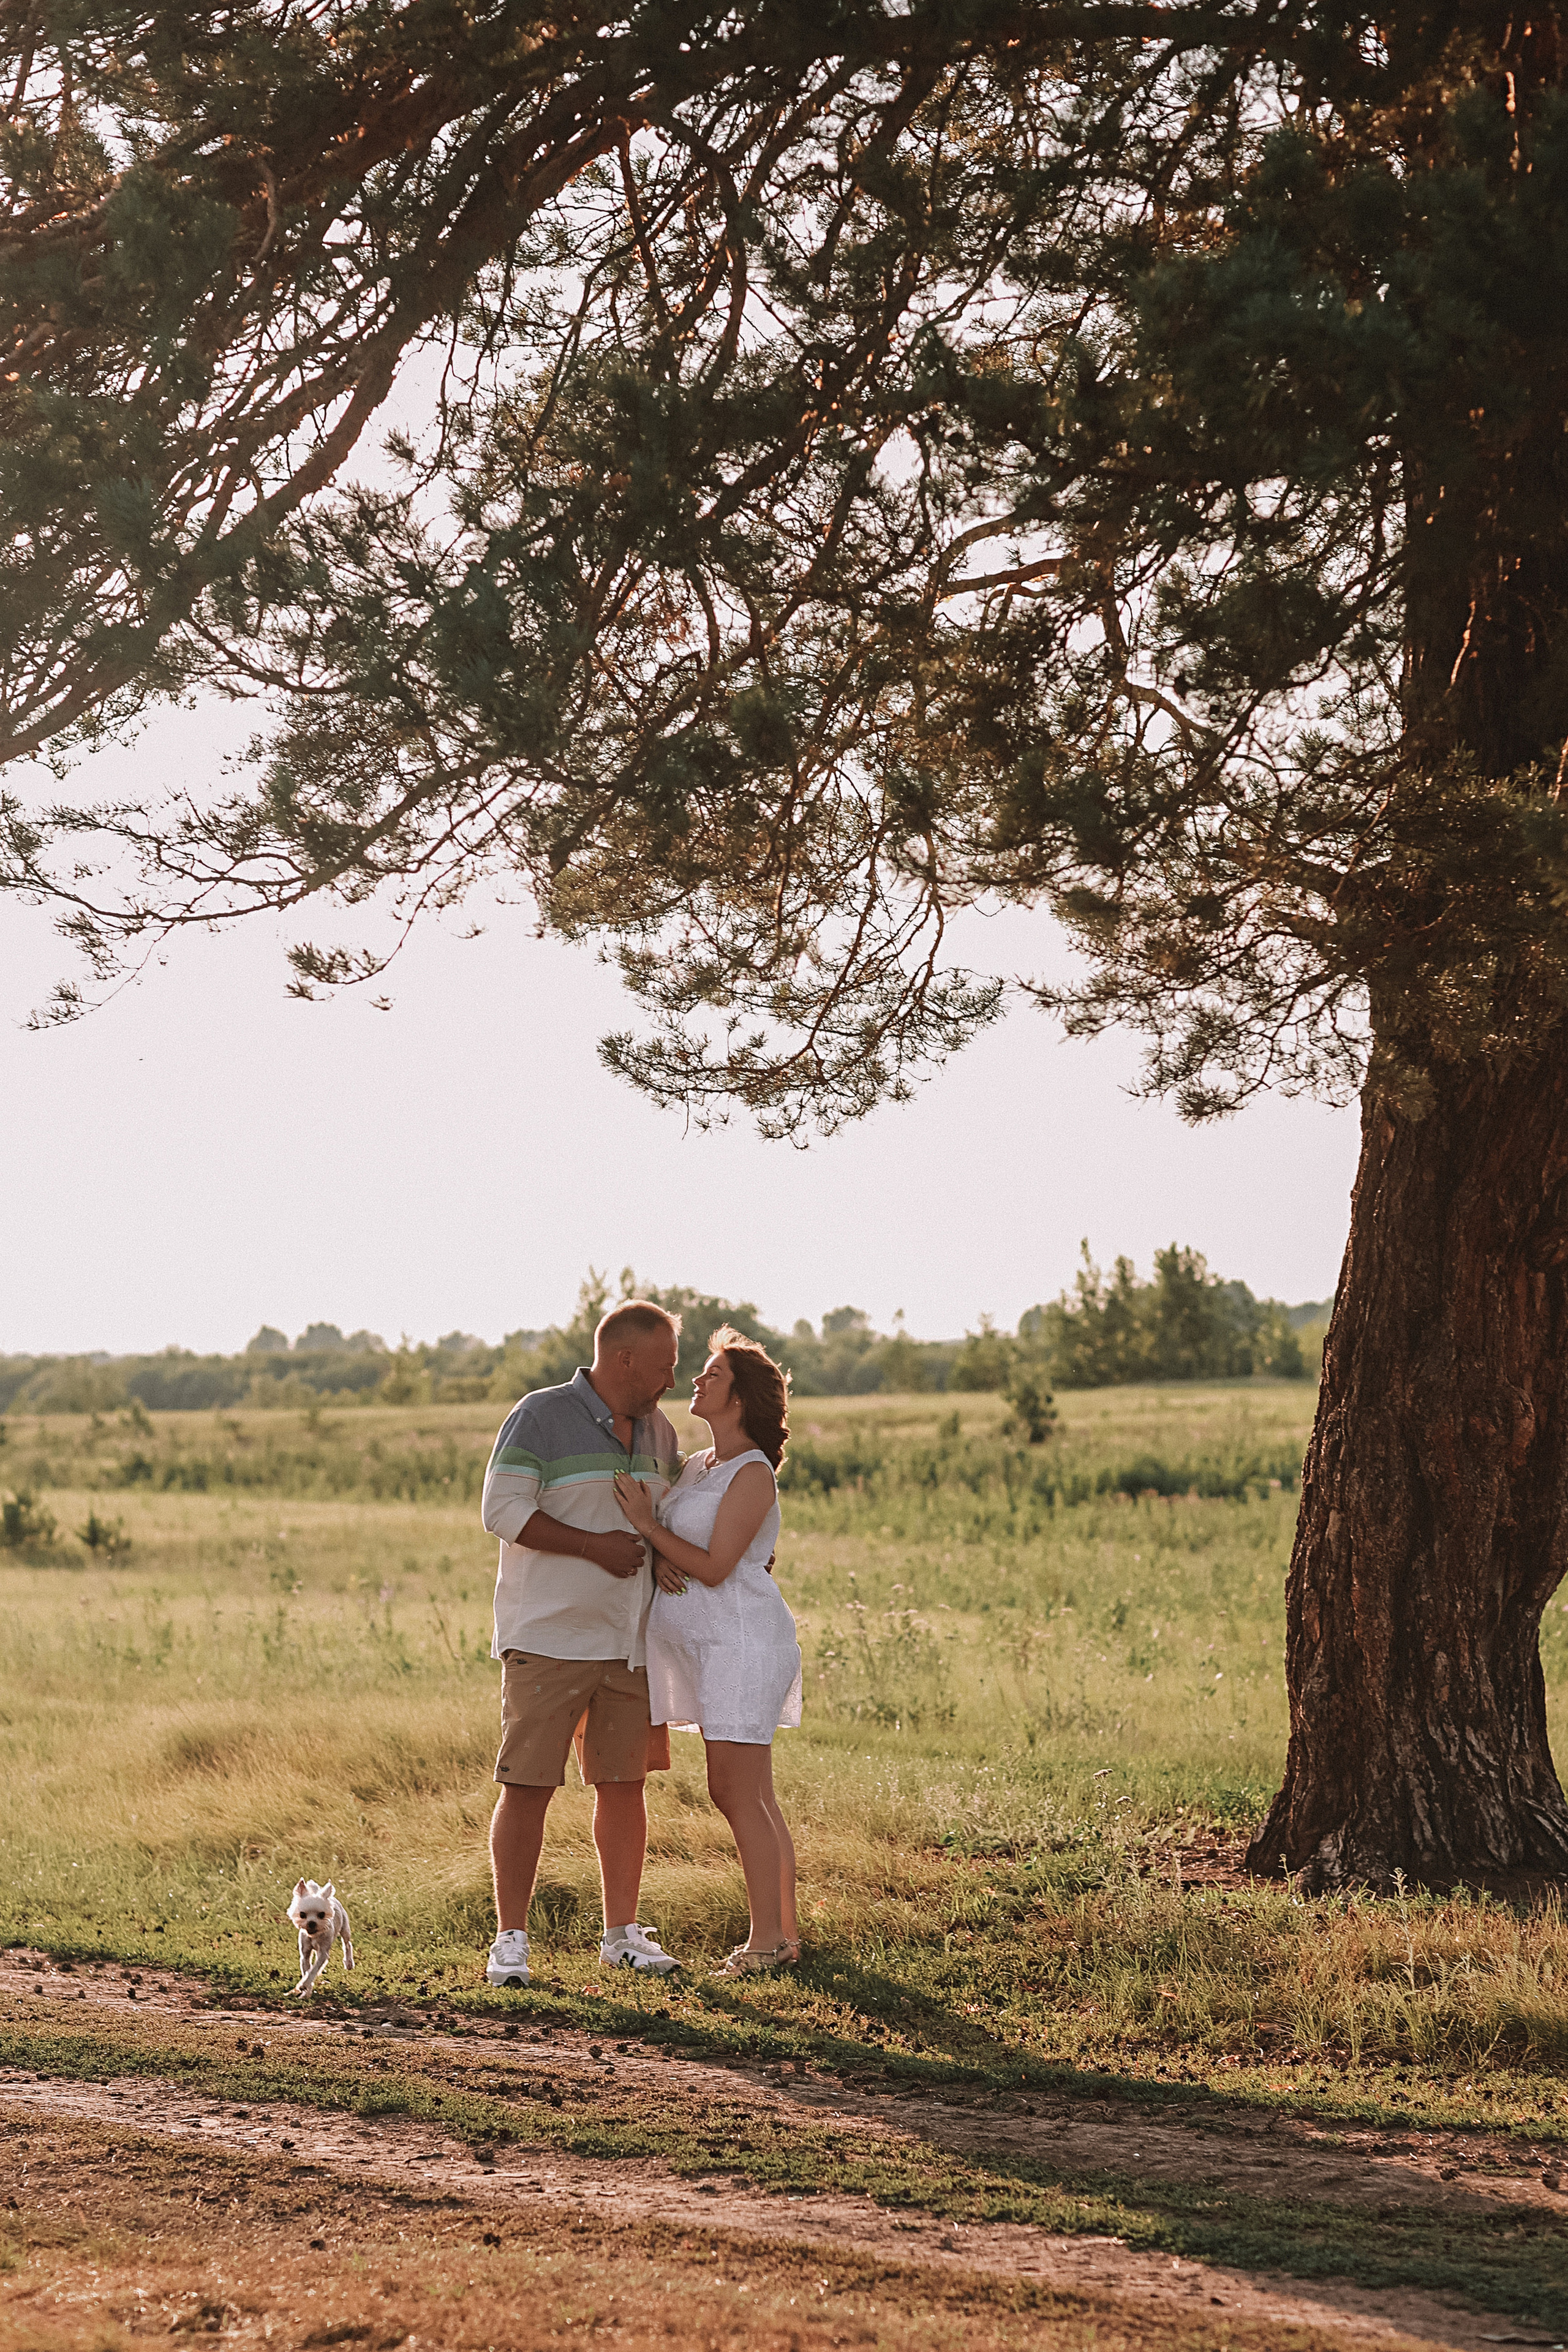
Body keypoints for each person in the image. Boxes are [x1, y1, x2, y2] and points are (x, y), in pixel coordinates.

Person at [479, 1300, 685, 1986]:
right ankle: (510, 1940)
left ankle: (621, 1936)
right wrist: (594, 1547)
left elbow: (669, 1518)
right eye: (664, 1366)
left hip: (631, 1643)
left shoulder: (660, 1431)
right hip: (549, 1638)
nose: (672, 1380)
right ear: (624, 1359)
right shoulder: (540, 1415)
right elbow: (502, 1510)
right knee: (528, 1785)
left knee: (624, 1787)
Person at [614, 1326, 802, 1977]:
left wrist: (649, 1529)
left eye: (712, 1374)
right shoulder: (699, 1465)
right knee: (755, 1795)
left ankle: (765, 1944)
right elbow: (686, 1548)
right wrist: (660, 1555)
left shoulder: (752, 1473)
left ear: (741, 1397)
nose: (697, 1380)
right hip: (713, 1648)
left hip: (742, 1645)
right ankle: (785, 1936)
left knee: (734, 1792)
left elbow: (719, 1566)